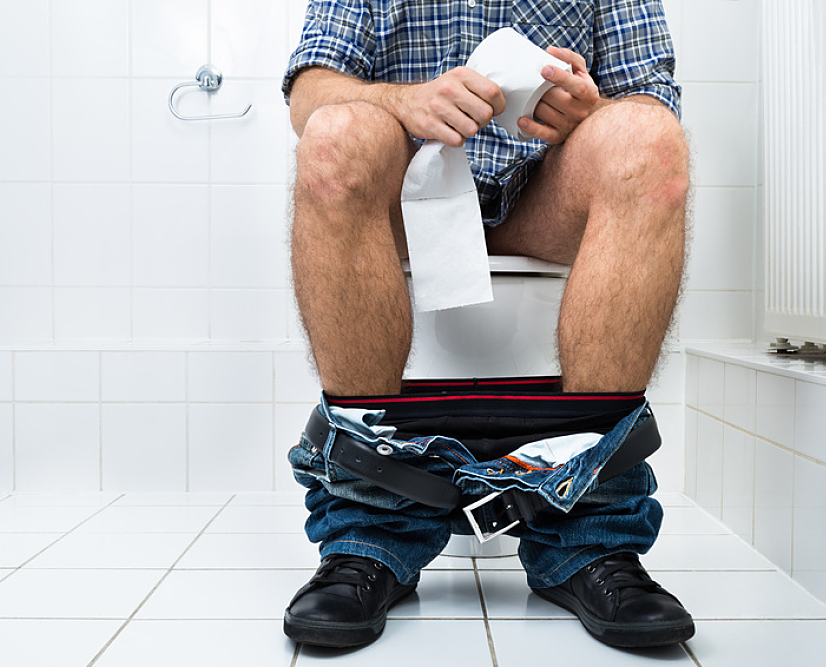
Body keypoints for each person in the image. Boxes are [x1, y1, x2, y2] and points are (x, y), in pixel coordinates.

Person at [280, 0, 693, 651]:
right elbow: (311, 88)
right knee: (334, 137)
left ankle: (592, 532)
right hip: (410, 194)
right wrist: (404, 101)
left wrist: (592, 112)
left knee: (645, 138)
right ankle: (367, 529)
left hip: (544, 193)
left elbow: (652, 99)